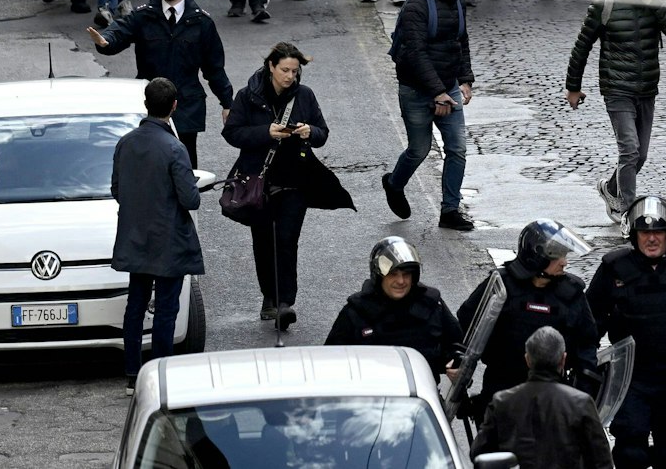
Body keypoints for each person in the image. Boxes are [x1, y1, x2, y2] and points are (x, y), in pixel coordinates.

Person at [586, 196, 666, 468]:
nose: (652, 239)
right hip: (631, 377)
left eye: (658, 232)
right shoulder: (613, 268)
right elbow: (589, 318)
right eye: (645, 233)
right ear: (634, 236)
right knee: (630, 453)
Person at [565, 0, 666, 221]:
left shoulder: (655, 0)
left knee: (640, 155)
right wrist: (573, 87)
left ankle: (611, 189)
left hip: (646, 89)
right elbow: (581, 47)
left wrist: (656, 5)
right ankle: (629, 214)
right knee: (629, 150)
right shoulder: (605, 4)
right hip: (617, 89)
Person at [88, 0, 234, 167]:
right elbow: (119, 31)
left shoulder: (201, 22)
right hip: (151, 105)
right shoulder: (144, 15)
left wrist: (227, 102)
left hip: (185, 106)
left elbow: (214, 67)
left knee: (184, 166)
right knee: (149, 164)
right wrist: (106, 41)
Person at [221, 42, 329, 330]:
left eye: (295, 71)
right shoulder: (249, 96)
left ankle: (285, 302)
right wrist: (265, 133)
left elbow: (322, 133)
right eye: (284, 70)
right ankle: (269, 295)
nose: (290, 76)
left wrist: (309, 131)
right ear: (271, 66)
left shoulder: (304, 96)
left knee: (286, 240)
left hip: (295, 182)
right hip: (259, 180)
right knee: (263, 242)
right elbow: (231, 132)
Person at [110, 77, 204, 391]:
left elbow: (117, 190)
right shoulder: (175, 148)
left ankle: (132, 374)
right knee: (166, 309)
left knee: (135, 306)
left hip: (136, 237)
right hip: (169, 242)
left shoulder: (126, 142)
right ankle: (164, 375)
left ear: (146, 104)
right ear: (174, 106)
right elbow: (190, 199)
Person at [457, 221, 601, 418]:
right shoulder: (501, 286)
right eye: (557, 256)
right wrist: (459, 369)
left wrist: (584, 393)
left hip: (553, 394)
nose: (564, 262)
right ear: (537, 256)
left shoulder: (571, 292)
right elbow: (467, 325)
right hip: (502, 388)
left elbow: (587, 343)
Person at [384, 0, 476, 231]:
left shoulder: (458, 3)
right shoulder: (416, 4)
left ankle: (450, 210)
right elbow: (415, 53)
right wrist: (437, 92)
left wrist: (465, 79)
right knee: (419, 150)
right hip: (415, 91)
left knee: (457, 149)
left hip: (447, 87)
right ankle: (393, 183)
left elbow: (460, 42)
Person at [472, 327, 615, 469]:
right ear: (563, 359)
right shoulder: (581, 403)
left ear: (527, 359)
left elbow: (478, 453)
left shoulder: (502, 402)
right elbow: (602, 462)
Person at [325, 238, 464, 380]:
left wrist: (456, 366)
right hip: (370, 392)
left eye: (406, 274)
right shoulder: (357, 310)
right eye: (393, 274)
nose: (401, 281)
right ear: (379, 276)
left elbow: (457, 345)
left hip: (420, 390)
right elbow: (330, 360)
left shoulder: (431, 304)